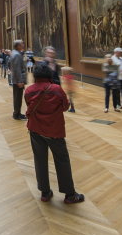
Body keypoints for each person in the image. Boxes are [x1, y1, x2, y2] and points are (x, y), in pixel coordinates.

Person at [25, 65, 85, 204]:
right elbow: (65, 106)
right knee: (62, 161)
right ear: (49, 75)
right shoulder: (56, 89)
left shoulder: (29, 91)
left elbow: (29, 105)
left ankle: (45, 193)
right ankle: (69, 195)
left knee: (40, 161)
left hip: (35, 130)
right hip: (54, 131)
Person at [9, 40, 28, 120]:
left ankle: (17, 113)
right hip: (18, 81)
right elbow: (17, 69)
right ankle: (16, 114)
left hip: (16, 80)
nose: (23, 45)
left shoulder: (14, 53)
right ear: (17, 46)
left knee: (18, 97)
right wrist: (20, 81)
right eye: (21, 44)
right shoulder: (16, 55)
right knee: (18, 98)